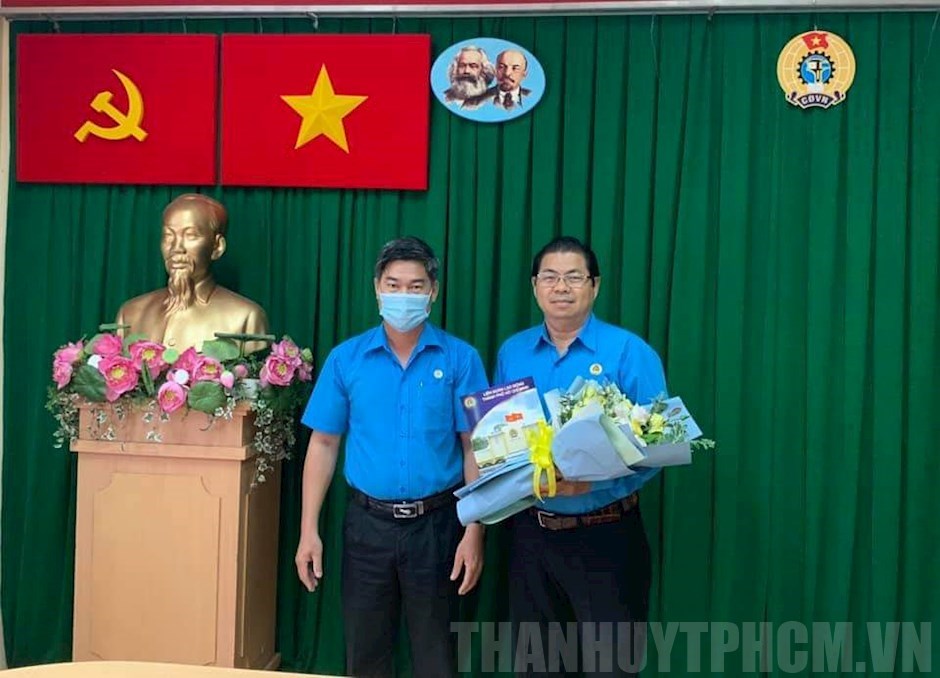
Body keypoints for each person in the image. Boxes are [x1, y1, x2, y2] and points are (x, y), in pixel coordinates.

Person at [294, 236, 488, 678]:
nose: (404, 296)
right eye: (394, 285)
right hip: (368, 527)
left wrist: (474, 531)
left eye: (416, 287)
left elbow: (474, 446)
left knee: (437, 657)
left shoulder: (461, 359)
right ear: (377, 288)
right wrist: (308, 531)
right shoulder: (347, 359)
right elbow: (323, 445)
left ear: (433, 292)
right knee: (365, 654)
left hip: (439, 526)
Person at [494, 236, 667, 677]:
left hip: (606, 536)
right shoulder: (512, 353)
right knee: (537, 665)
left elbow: (662, 442)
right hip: (531, 536)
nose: (561, 287)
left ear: (595, 285)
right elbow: (498, 435)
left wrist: (594, 481)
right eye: (550, 277)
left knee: (611, 667)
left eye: (574, 277)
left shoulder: (629, 351)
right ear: (535, 286)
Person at [116, 193, 269, 353]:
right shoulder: (130, 314)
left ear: (217, 246)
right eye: (168, 236)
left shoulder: (246, 317)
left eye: (190, 235)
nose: (176, 248)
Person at [464, 49, 532, 111]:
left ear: (524, 74)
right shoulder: (473, 102)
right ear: (495, 70)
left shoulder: (532, 97)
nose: (507, 73)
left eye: (515, 68)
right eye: (501, 67)